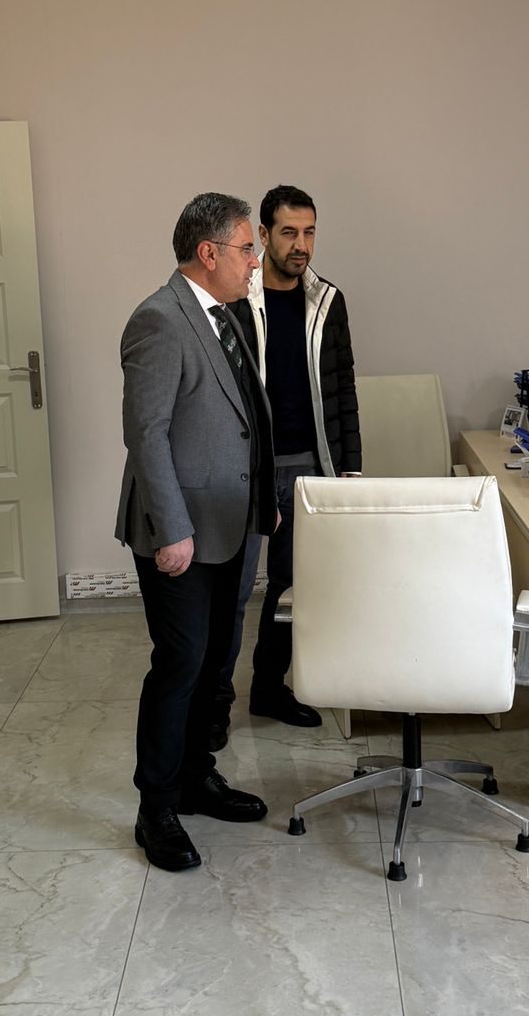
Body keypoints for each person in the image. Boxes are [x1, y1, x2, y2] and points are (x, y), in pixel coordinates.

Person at [117, 193, 277, 871]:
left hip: (234, 522)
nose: (255, 260)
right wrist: (172, 531)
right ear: (208, 253)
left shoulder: (227, 315)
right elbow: (146, 435)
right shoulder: (159, 319)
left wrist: (263, 497)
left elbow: (246, 418)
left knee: (215, 660)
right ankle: (155, 808)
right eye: (246, 248)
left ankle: (194, 776)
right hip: (181, 530)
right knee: (180, 663)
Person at [211, 184, 362, 745]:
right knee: (231, 592)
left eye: (310, 232)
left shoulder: (328, 300)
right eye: (289, 232)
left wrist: (349, 468)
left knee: (291, 589)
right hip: (247, 469)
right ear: (265, 235)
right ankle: (213, 709)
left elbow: (343, 388)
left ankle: (270, 689)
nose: (301, 245)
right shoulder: (235, 299)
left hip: (309, 467)